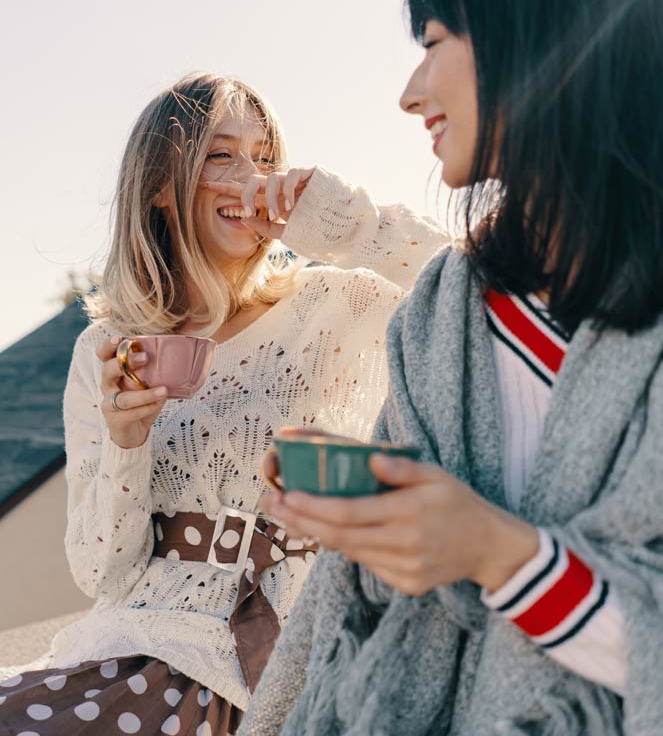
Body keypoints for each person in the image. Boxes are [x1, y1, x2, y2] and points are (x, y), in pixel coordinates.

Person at [245, 0, 663, 734]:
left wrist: (496, 552)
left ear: (550, 43)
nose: (409, 93)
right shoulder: (438, 315)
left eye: (437, 39)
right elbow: (332, 613)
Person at [0, 72, 447, 735]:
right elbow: (100, 572)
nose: (250, 177)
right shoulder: (106, 347)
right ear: (159, 184)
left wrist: (340, 222)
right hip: (144, 648)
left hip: (299, 647)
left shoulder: (336, 305)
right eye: (221, 156)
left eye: (266, 157)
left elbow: (481, 285)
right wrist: (127, 442)